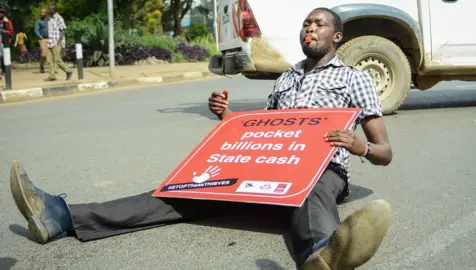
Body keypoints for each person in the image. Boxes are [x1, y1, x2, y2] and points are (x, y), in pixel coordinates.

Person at [9, 7, 393, 270]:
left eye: (319, 24)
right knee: (180, 192)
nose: (309, 29)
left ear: (337, 36)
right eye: (306, 24)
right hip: (267, 167)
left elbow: (385, 152)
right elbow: (270, 130)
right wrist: (227, 117)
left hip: (322, 168)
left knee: (309, 194)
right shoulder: (287, 78)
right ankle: (62, 217)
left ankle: (319, 255)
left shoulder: (353, 79)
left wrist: (360, 146)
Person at [44, 3, 72, 81]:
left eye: (51, 9)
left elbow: (63, 30)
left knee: (57, 59)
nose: (49, 10)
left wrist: (58, 41)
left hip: (56, 41)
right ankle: (52, 76)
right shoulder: (50, 18)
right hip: (50, 41)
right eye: (49, 8)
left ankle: (68, 71)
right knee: (49, 60)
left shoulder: (59, 18)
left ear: (55, 9)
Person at [34, 8, 50, 73]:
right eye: (41, 12)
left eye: (43, 12)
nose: (41, 14)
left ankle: (52, 69)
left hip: (50, 38)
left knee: (51, 54)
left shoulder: (49, 20)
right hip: (42, 39)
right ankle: (41, 65)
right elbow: (36, 30)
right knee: (43, 54)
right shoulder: (38, 21)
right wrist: (39, 36)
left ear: (46, 13)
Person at [0, 9, 13, 79]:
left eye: (1, 13)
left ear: (4, 14)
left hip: (5, 42)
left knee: (4, 57)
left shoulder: (7, 22)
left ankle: (4, 71)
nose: (0, 14)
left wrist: (3, 31)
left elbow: (11, 32)